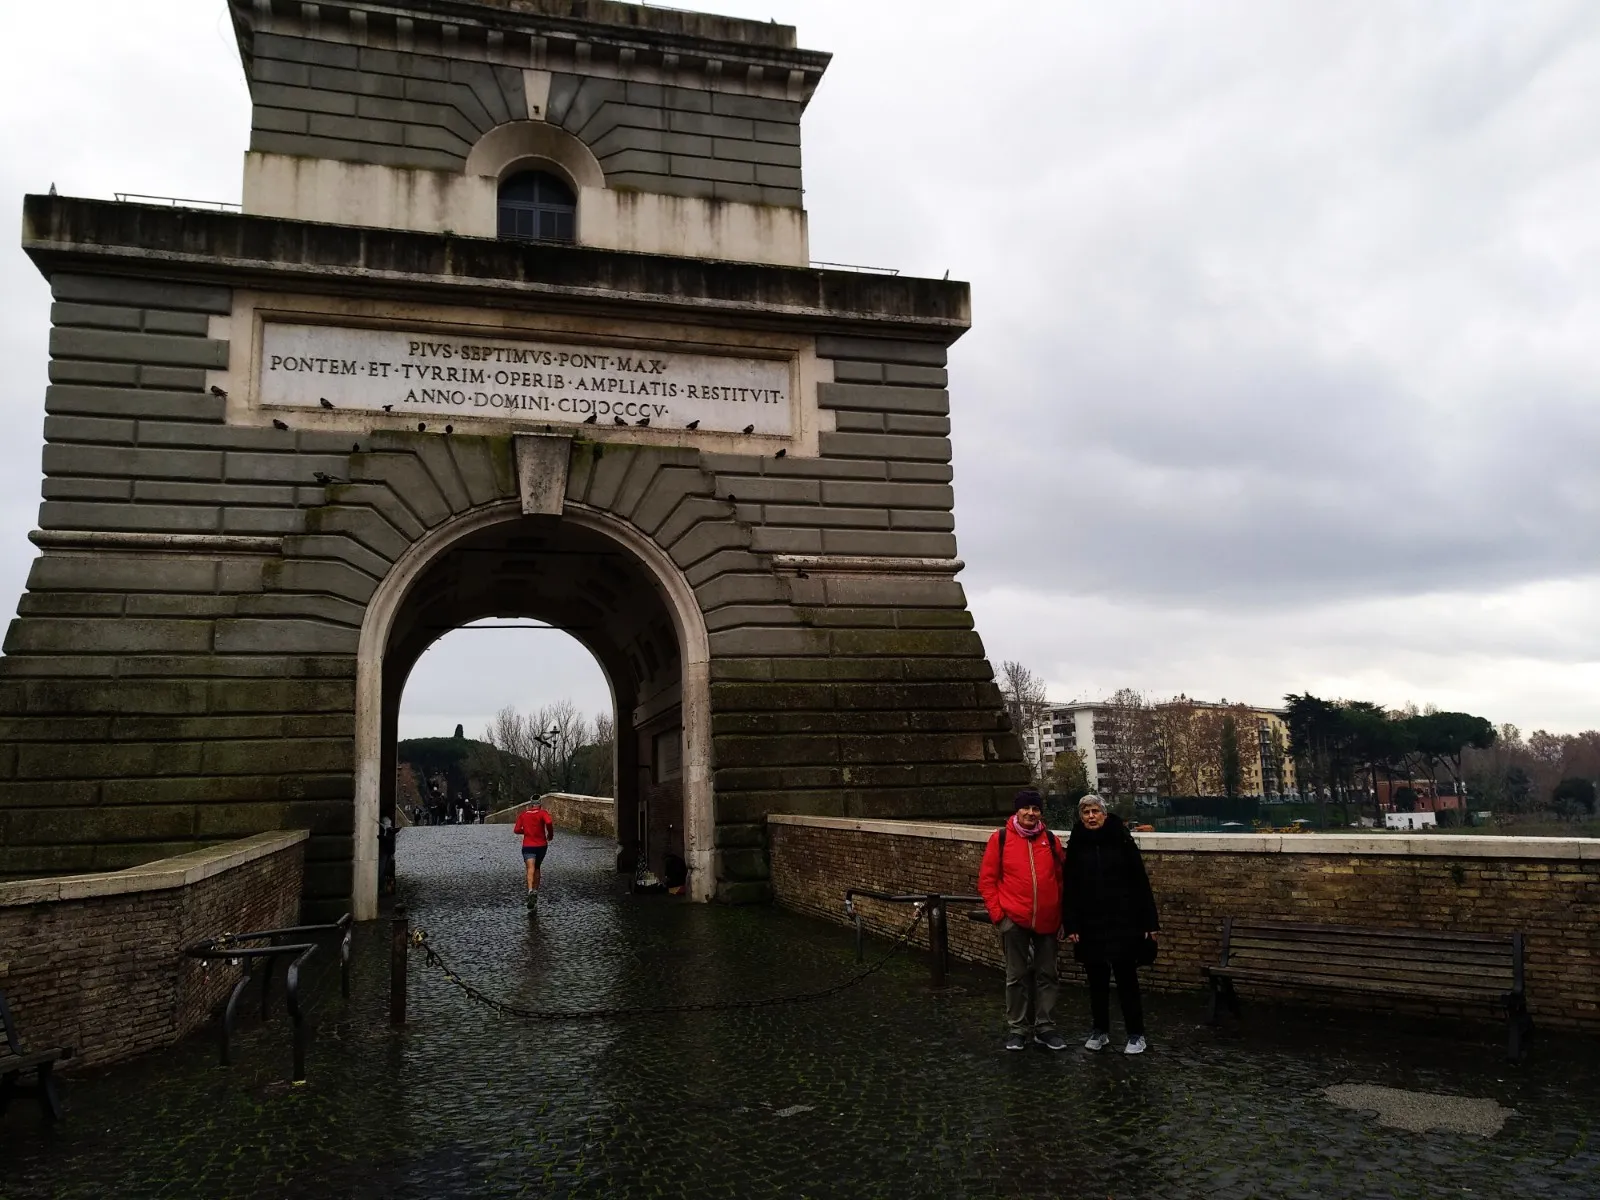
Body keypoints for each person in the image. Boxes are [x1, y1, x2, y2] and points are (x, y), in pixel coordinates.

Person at [1062, 794, 1160, 1055]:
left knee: (1127, 979)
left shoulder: (1122, 840)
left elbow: (1140, 882)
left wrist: (1150, 921)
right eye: (1086, 813)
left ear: (1104, 814)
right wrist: (1070, 924)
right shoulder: (1077, 844)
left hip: (1124, 921)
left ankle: (1136, 1033)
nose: (1091, 817)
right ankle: (1100, 1030)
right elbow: (1070, 886)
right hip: (1090, 923)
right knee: (1096, 982)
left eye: (1095, 811)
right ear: (1081, 817)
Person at [978, 789, 1068, 1052]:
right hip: (1014, 919)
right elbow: (987, 880)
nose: (1031, 813)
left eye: (1036, 809)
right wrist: (999, 916)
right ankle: (1017, 1028)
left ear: (1041, 812)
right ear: (1017, 811)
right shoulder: (1001, 838)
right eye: (1026, 808)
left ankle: (1045, 1027)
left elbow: (1061, 880)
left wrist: (1061, 915)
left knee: (1048, 975)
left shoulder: (1051, 840)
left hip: (1048, 919)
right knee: (1016, 976)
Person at [512, 799, 555, 903]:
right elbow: (549, 822)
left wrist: (526, 831)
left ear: (530, 805)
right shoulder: (542, 813)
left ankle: (530, 890)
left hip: (528, 845)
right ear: (540, 805)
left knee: (530, 868)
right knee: (537, 867)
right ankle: (535, 891)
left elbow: (516, 830)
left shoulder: (523, 815)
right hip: (541, 845)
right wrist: (550, 834)